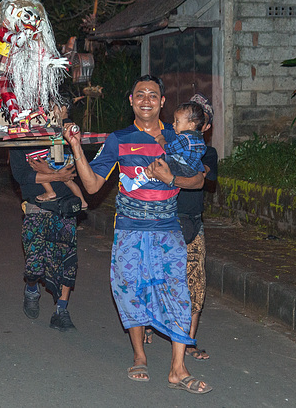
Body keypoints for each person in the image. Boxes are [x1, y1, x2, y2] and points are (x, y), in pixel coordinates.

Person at [63, 74, 212, 394]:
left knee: (178, 294)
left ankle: (177, 368)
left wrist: (172, 177)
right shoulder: (118, 139)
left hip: (168, 229)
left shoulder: (178, 136)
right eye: (140, 94)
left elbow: (199, 180)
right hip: (130, 230)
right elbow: (91, 186)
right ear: (131, 101)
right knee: (130, 290)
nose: (146, 99)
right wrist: (76, 147)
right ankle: (139, 355)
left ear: (162, 102)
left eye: (153, 94)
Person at [9, 140, 80, 332]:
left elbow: (71, 171)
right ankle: (32, 288)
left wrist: (46, 172)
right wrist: (56, 174)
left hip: (64, 205)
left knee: (68, 261)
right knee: (34, 263)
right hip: (36, 206)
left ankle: (61, 311)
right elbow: (23, 176)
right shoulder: (20, 140)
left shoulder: (63, 137)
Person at [178, 93, 218, 360]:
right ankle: (147, 325)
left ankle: (189, 340)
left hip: (193, 223)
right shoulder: (171, 144)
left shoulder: (208, 152)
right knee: (158, 275)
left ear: (205, 127)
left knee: (196, 282)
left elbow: (201, 177)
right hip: (166, 219)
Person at [120, 101, 207, 192]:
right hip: (192, 171)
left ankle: (133, 184)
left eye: (177, 121)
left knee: (155, 165)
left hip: (183, 168)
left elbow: (169, 149)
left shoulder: (184, 139)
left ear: (191, 125)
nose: (173, 124)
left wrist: (161, 140)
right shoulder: (200, 139)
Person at [29, 102, 88, 210]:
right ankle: (82, 202)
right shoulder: (67, 123)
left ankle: (50, 192)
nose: (52, 110)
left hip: (61, 158)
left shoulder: (62, 123)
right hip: (69, 159)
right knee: (69, 182)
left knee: (38, 168)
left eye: (54, 107)